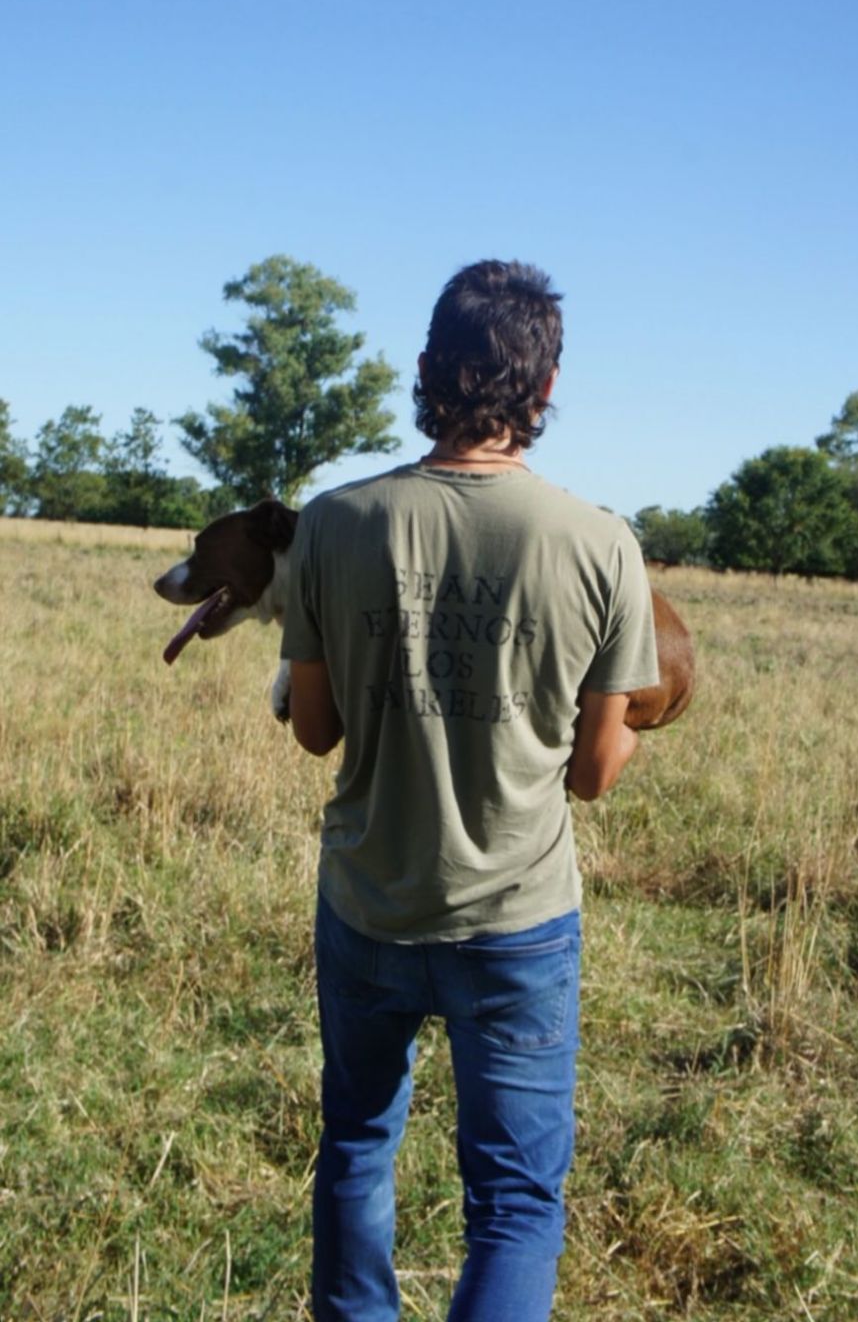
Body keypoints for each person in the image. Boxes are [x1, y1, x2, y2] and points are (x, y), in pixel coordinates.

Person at [280, 259, 660, 1322]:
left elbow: (314, 732)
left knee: (357, 1140)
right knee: (515, 1200)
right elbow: (592, 775)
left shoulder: (332, 523)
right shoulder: (601, 545)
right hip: (518, 924)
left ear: (425, 373)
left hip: (368, 902)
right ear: (543, 392)